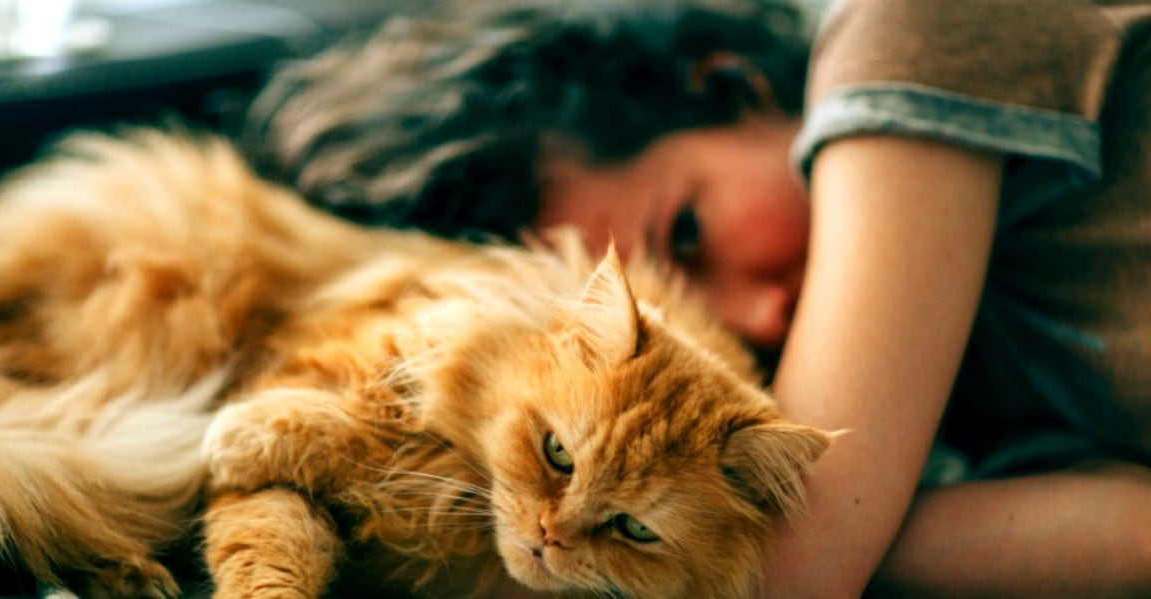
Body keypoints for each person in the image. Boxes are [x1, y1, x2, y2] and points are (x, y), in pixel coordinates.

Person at [240, 0, 1151, 596]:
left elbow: (795, 572)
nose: (755, 322)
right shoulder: (973, 375)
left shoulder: (906, 34)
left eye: (685, 235)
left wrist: (709, 542)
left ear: (727, 83)